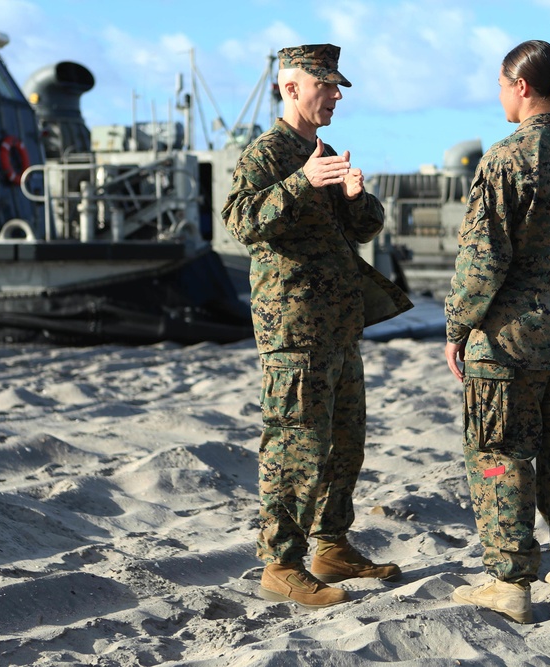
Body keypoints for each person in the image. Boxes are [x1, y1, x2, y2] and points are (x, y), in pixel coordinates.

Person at [221, 44, 406, 610]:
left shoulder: (318, 150)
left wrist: (354, 195)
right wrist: (301, 182)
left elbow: (365, 229)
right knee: (296, 445)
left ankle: (331, 545)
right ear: (290, 88)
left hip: (338, 325)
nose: (336, 94)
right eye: (324, 84)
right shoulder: (269, 153)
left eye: (337, 84)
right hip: (293, 329)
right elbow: (242, 222)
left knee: (345, 442)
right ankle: (281, 564)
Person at [443, 40, 550, 624]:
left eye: (500, 85)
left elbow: (482, 260)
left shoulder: (506, 158)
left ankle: (509, 582)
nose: (498, 96)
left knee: (499, 456)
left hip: (512, 345)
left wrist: (457, 326)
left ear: (521, 87)